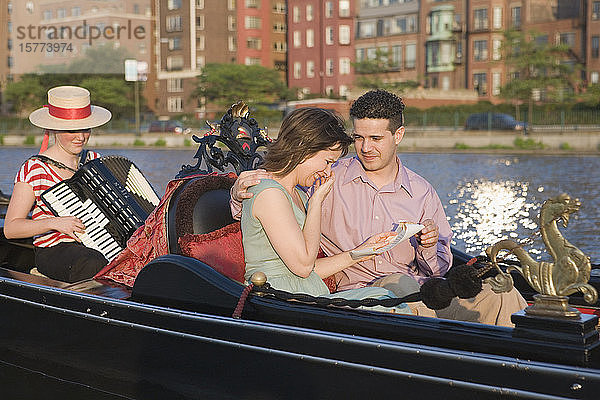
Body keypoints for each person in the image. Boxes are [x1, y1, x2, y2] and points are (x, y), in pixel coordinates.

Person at [232, 90, 527, 327]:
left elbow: (440, 269)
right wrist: (236, 192)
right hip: (365, 292)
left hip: (421, 288)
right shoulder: (328, 175)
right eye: (359, 138)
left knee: (502, 294)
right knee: (397, 288)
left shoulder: (422, 192)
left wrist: (429, 245)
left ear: (397, 136)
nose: (365, 148)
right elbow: (270, 206)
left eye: (375, 139)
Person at [241, 107, 411, 314]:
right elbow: (303, 266)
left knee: (385, 298)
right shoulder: (270, 193)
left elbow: (309, 270)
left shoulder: (297, 194)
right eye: (328, 161)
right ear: (303, 149)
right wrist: (316, 202)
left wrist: (361, 253)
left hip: (303, 295)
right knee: (386, 305)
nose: (328, 171)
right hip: (279, 302)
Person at [4, 85, 112, 283]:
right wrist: (54, 223)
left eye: (85, 129)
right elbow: (11, 229)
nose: (81, 137)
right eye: (72, 130)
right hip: (55, 250)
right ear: (54, 128)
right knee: (92, 263)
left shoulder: (96, 161)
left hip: (101, 244)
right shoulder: (34, 168)